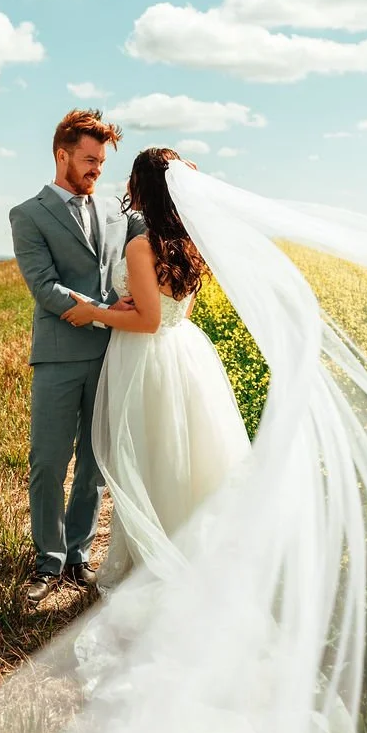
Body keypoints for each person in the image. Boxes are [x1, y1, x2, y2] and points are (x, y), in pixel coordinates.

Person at [61, 147, 251, 585]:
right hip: (184, 352)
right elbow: (174, 313)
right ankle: (192, 551)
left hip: (146, 357)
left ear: (140, 187)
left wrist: (96, 313)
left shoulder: (142, 245)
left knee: (146, 458)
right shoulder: (189, 243)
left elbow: (146, 321)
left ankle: (155, 564)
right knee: (183, 454)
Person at [9, 109, 146, 605]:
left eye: (102, 162)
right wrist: (103, 310)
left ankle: (78, 555)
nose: (96, 170)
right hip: (59, 356)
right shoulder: (28, 214)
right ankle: (46, 560)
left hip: (113, 353)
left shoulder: (116, 210)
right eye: (88, 160)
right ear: (61, 155)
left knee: (94, 462)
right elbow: (44, 287)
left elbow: (156, 225)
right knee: (48, 461)